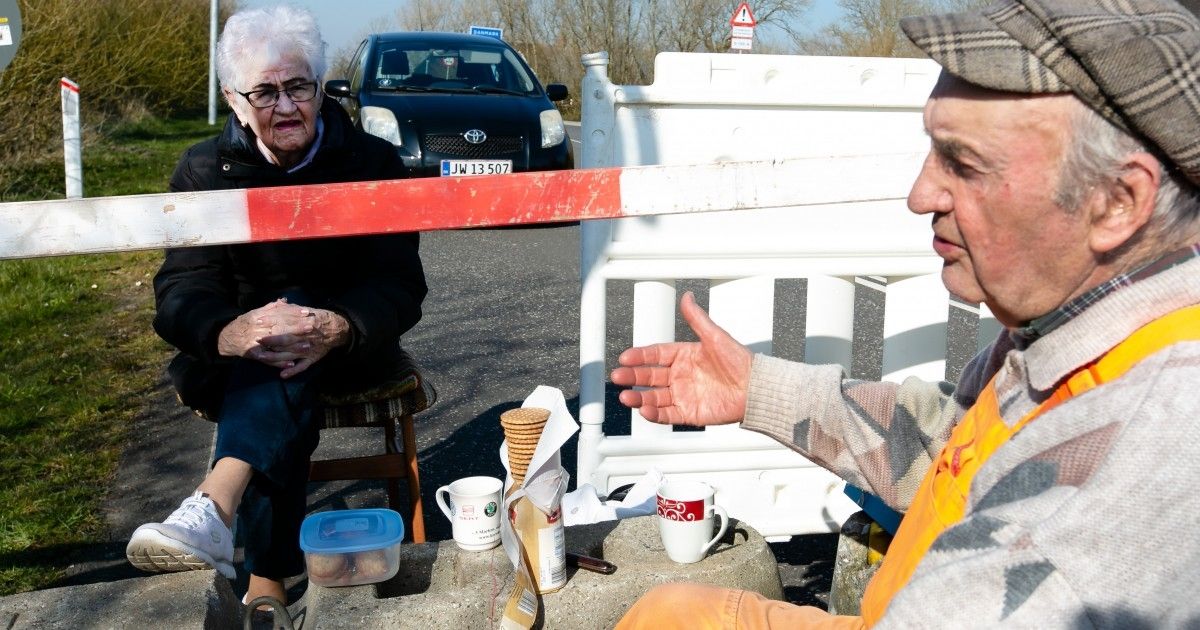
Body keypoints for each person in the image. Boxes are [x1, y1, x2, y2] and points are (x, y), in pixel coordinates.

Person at [611, 0, 1200, 627]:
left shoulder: (1095, 508)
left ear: (1117, 201)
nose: (920, 195)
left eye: (963, 163)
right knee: (673, 612)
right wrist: (757, 389)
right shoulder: (1083, 328)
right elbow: (949, 444)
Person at [123, 5, 427, 608]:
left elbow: (399, 283)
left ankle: (233, 533)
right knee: (276, 346)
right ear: (234, 101)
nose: (286, 106)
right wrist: (229, 331)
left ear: (319, 87)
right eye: (265, 92)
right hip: (238, 357)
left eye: (299, 87)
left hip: (352, 348)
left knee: (292, 327)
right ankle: (251, 559)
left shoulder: (373, 163)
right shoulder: (203, 170)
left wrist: (339, 325)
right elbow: (181, 289)